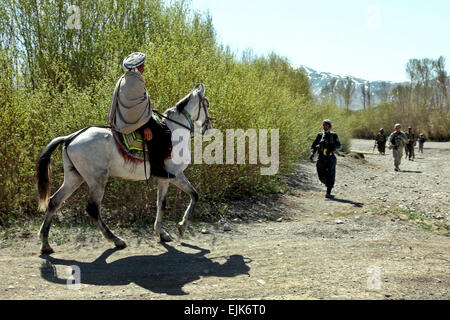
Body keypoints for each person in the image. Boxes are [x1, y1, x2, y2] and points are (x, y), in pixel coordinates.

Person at [107, 52, 175, 179]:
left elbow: (135, 105)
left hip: (127, 118)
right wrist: (144, 127)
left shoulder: (125, 78)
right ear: (136, 67)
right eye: (142, 65)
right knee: (162, 134)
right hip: (134, 121)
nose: (144, 67)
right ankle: (157, 168)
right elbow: (134, 110)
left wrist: (147, 109)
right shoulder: (134, 82)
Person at [310, 119, 341, 199]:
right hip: (321, 157)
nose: (325, 126)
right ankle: (328, 184)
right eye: (323, 125)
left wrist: (332, 146)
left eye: (326, 125)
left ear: (329, 126)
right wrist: (312, 153)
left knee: (331, 174)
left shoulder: (334, 135)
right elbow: (313, 146)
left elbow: (338, 145)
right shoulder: (320, 135)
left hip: (330, 157)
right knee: (320, 172)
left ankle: (328, 192)